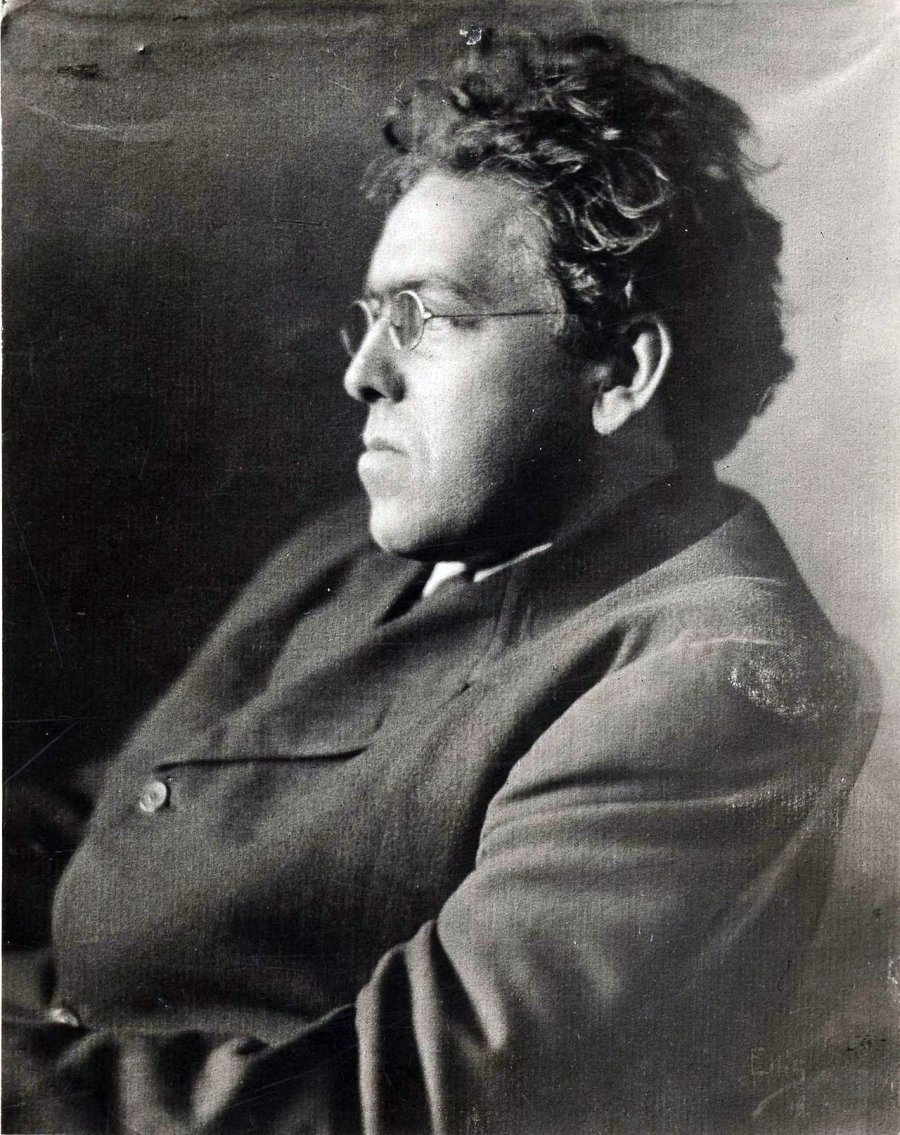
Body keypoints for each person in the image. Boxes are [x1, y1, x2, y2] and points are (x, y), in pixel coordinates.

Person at [3, 28, 880, 1135]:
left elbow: (414, 1102)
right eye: (372, 317)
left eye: (424, 316)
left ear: (621, 371)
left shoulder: (719, 679)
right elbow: (125, 809)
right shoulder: (367, 550)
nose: (362, 373)